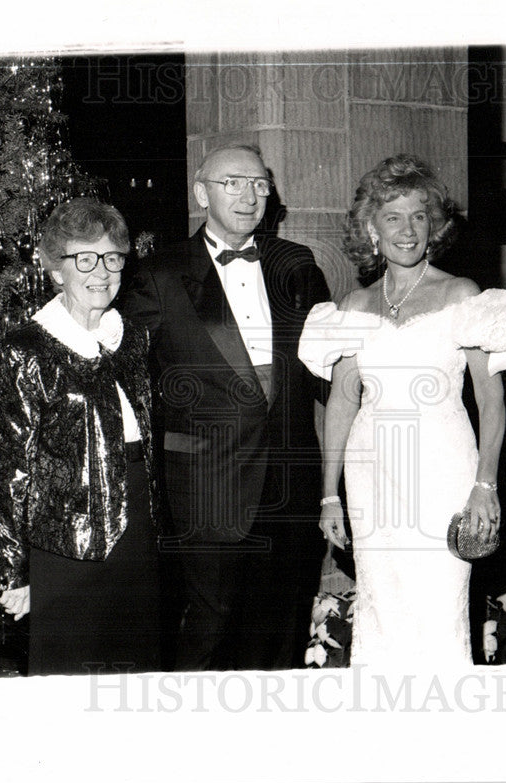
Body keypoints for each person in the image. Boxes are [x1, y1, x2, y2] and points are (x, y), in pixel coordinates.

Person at [298, 154, 506, 670]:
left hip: (443, 469)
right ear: (372, 227)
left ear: (433, 226)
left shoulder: (462, 295)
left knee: (438, 606)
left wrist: (485, 485)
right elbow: (342, 401)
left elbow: (491, 398)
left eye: (419, 216)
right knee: (380, 606)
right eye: (393, 217)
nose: (407, 230)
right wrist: (329, 494)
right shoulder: (353, 306)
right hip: (373, 474)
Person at [116, 143, 330, 671]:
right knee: (206, 637)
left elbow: (328, 374)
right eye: (232, 182)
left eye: (259, 184)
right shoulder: (159, 274)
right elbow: (128, 380)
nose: (249, 195)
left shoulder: (297, 267)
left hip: (289, 485)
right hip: (206, 488)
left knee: (282, 634)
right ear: (200, 194)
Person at [0, 197, 162, 676]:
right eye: (84, 259)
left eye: (112, 258)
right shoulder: (26, 348)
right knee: (71, 671)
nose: (100, 271)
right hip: (66, 540)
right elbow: (12, 466)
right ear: (55, 269)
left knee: (136, 665)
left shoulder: (130, 338)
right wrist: (15, 568)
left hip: (139, 525)